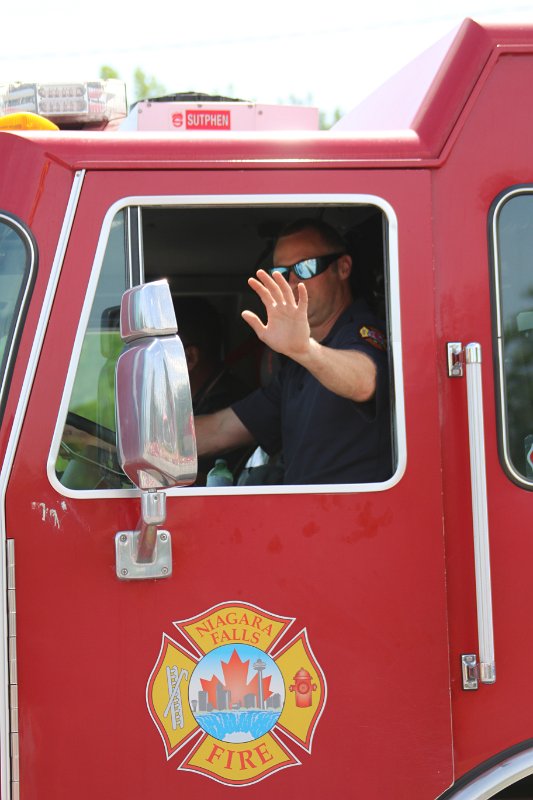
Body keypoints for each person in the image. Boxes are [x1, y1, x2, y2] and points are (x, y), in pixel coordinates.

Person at [194, 219, 392, 485]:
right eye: (281, 272)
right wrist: (152, 445)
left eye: (305, 267)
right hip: (306, 510)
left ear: (343, 267)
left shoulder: (362, 332)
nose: (291, 282)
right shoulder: (296, 368)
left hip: (359, 509)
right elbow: (221, 430)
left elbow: (365, 380)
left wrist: (305, 350)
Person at [173, 297, 250, 484]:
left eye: (160, 353)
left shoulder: (229, 403)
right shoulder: (196, 400)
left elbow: (200, 484)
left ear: (189, 358)